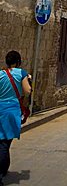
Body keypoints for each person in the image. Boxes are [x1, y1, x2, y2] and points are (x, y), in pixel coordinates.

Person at [0, 51, 31, 186]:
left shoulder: (1, 74)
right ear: (18, 62)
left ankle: (3, 169)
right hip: (12, 110)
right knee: (5, 143)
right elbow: (27, 91)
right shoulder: (21, 73)